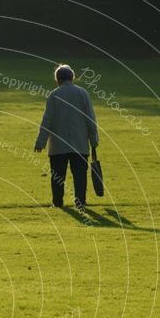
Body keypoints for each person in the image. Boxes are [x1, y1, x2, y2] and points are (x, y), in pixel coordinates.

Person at [34, 64, 99, 209]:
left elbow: (47, 120)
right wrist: (94, 140)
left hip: (58, 145)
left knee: (57, 176)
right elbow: (90, 119)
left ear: (57, 79)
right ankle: (80, 202)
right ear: (72, 78)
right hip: (80, 144)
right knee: (80, 175)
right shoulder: (83, 93)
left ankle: (57, 202)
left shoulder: (54, 95)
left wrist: (41, 142)